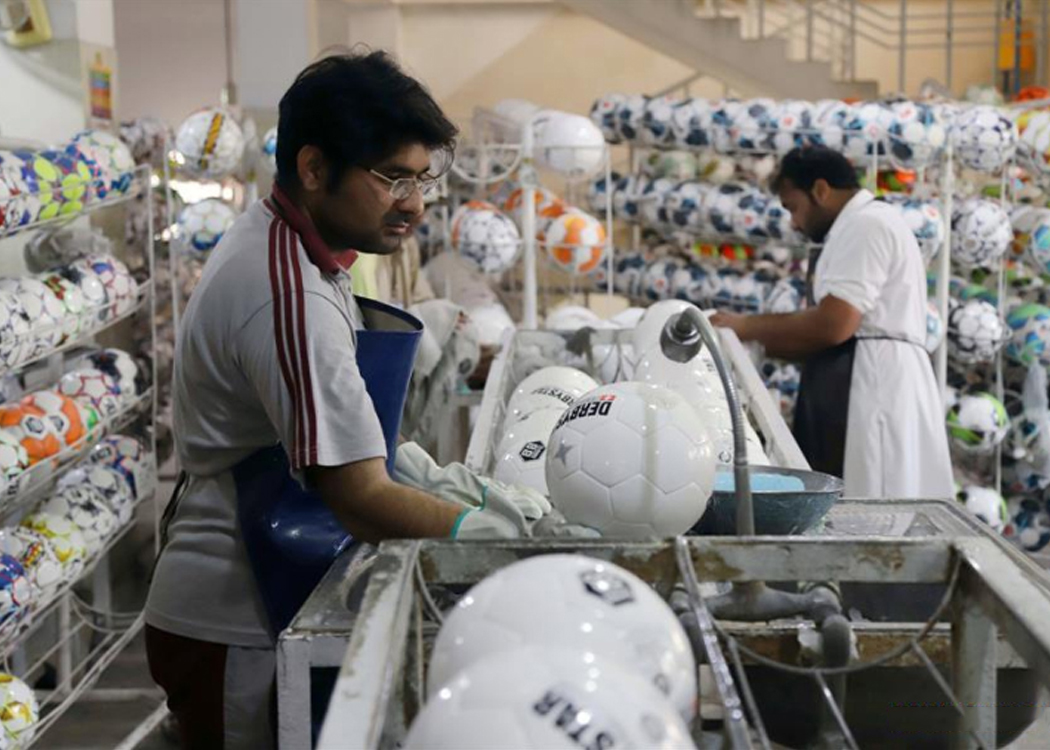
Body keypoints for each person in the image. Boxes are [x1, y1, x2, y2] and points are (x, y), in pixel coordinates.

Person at [144, 52, 549, 749]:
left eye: (422, 179)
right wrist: (496, 544)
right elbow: (359, 497)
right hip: (236, 622)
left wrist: (440, 479)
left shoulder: (298, 249)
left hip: (268, 594)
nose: (414, 203)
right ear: (313, 168)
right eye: (393, 178)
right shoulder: (287, 291)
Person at [711, 146, 953, 500]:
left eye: (793, 207)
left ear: (821, 190)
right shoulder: (855, 227)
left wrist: (745, 326)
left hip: (874, 383)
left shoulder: (867, 224)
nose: (794, 223)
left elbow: (834, 324)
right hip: (865, 373)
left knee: (871, 501)